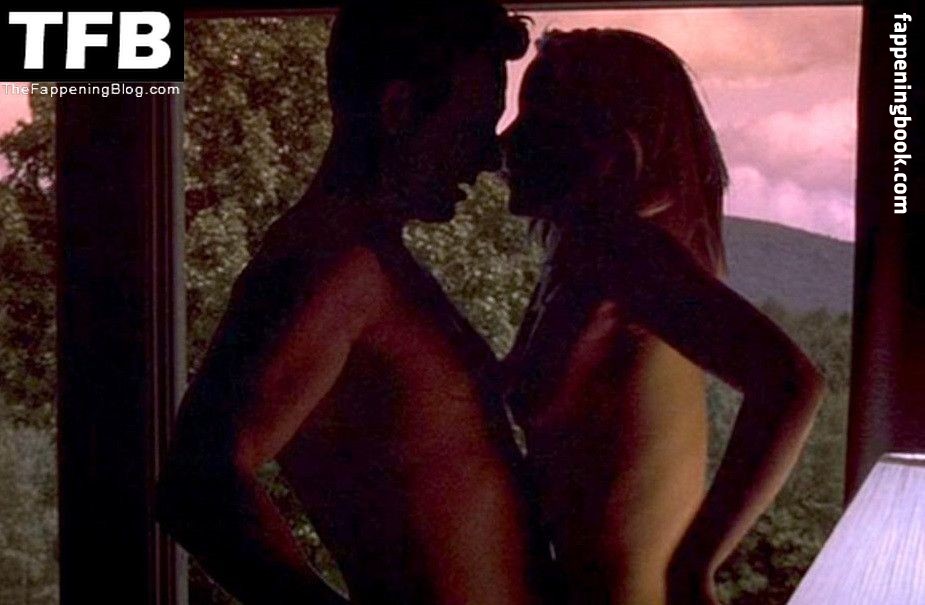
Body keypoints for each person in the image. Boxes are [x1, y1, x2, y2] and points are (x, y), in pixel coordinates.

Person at [156, 3, 540, 604]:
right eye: (473, 125)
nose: (490, 157)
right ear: (399, 109)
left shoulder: (367, 259)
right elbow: (198, 484)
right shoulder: (337, 262)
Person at [500, 29, 824, 605]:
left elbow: (792, 384)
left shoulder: (628, 255)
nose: (508, 139)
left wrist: (695, 566)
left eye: (536, 119)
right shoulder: (584, 260)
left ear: (605, 145)